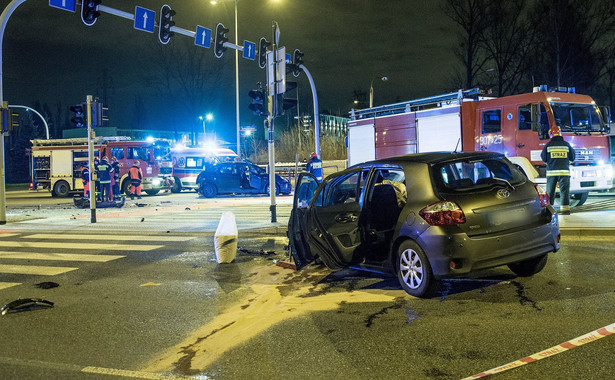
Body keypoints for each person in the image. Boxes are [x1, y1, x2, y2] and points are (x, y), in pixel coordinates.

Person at [541, 125, 575, 215]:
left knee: (550, 191)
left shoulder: (548, 145)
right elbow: (573, 158)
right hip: (564, 172)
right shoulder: (567, 144)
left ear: (551, 134)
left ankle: (549, 209)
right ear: (560, 134)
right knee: (564, 191)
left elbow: (543, 158)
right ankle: (565, 210)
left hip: (551, 173)